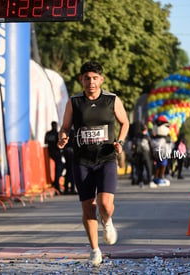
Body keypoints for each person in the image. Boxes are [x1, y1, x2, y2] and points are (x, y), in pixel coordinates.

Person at [57, 61, 129, 266]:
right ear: (81, 79)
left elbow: (125, 122)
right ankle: (95, 250)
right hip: (82, 161)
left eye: (95, 78)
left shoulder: (111, 100)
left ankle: (107, 222)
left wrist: (120, 142)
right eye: (87, 78)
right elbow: (65, 127)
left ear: (101, 80)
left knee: (105, 203)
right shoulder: (74, 102)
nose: (91, 82)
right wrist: (63, 137)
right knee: (88, 207)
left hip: (106, 158)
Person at [132, 123, 154, 188]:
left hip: (138, 155)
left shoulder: (136, 137)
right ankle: (150, 181)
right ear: (146, 130)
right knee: (148, 168)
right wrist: (152, 156)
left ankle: (141, 182)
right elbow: (151, 147)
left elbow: (133, 146)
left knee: (140, 169)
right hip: (146, 154)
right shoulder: (147, 137)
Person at [44, 121, 63, 193]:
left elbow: (45, 142)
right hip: (56, 153)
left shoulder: (48, 134)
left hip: (50, 153)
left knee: (58, 168)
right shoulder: (57, 134)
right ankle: (56, 184)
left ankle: (56, 183)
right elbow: (60, 143)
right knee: (59, 168)